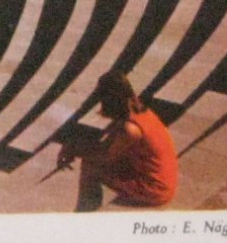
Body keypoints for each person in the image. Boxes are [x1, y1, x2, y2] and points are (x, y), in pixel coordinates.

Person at [56, 71, 179, 210]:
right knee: (92, 159)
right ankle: (86, 209)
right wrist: (72, 147)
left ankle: (83, 213)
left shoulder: (130, 129)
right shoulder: (139, 111)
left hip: (155, 188)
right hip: (157, 176)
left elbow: (104, 157)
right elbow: (107, 146)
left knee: (91, 166)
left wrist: (73, 149)